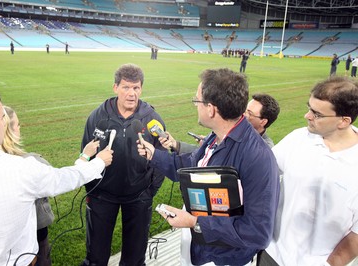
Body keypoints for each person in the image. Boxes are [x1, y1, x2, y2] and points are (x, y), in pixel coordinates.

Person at [137, 68, 280, 266]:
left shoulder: (258, 158)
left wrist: (194, 222)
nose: (195, 105)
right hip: (199, 249)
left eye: (196, 101)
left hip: (224, 259)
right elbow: (190, 166)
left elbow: (257, 233)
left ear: (211, 109)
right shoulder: (216, 136)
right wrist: (153, 155)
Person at [0, 86, 113, 266]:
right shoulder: (20, 170)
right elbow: (66, 178)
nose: (4, 124)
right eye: (2, 119)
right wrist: (99, 161)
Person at [259, 76, 358, 266]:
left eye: (317, 114)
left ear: (344, 121)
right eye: (309, 108)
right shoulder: (298, 138)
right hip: (272, 253)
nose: (307, 116)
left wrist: (330, 264)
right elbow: (263, 171)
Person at [80, 63, 166, 266]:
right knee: (96, 257)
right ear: (115, 87)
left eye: (136, 88)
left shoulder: (152, 119)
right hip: (102, 196)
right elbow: (86, 153)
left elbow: (161, 157)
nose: (131, 93)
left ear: (141, 89)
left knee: (134, 259)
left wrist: (149, 190)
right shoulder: (98, 117)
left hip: (138, 197)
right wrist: (93, 189)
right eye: (126, 87)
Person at [0, 105, 55, 266]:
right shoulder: (30, 163)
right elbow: (58, 179)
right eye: (17, 124)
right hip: (34, 233)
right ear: (9, 131)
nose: (20, 128)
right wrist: (86, 157)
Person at [162, 93, 280, 152]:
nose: (244, 114)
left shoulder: (265, 149)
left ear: (263, 121)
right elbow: (204, 155)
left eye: (250, 113)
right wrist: (176, 145)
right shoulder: (231, 130)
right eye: (245, 110)